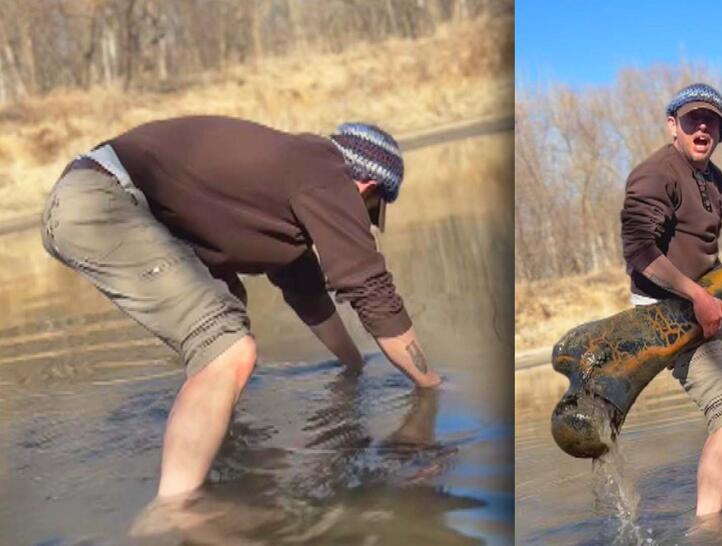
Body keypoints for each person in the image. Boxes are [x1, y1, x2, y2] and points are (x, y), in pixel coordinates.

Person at [40, 115, 441, 499]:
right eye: (369, 210)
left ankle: (220, 456)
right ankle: (175, 509)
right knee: (228, 348)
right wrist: (431, 388)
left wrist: (353, 366)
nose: (363, 221)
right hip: (101, 203)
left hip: (91, 197)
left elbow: (309, 296)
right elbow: (370, 287)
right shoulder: (328, 173)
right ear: (368, 185)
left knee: (229, 312)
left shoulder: (291, 180)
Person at [620, 83, 722, 516]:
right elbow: (639, 252)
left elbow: (705, 255)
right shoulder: (656, 174)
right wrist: (696, 296)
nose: (702, 126)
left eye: (712, 121)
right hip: (665, 313)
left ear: (721, 132)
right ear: (673, 125)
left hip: (700, 304)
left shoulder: (714, 180)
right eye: (692, 119)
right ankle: (708, 528)